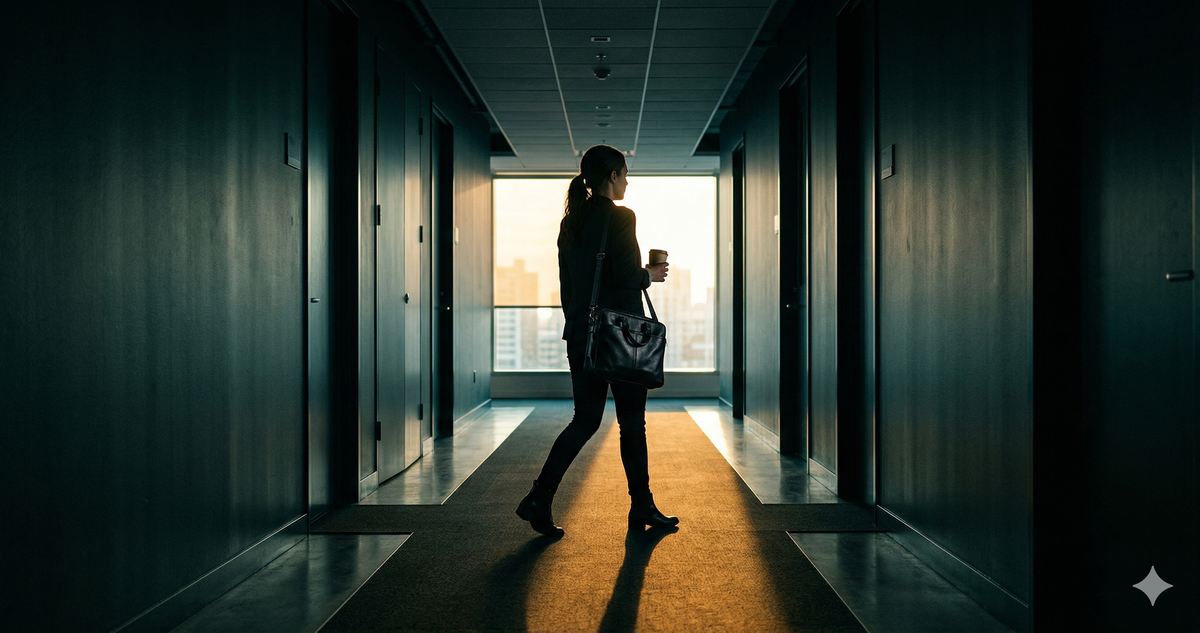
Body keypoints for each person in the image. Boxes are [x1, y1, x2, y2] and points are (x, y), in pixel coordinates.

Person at [516, 144, 679, 537]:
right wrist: (650, 274)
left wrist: (578, 327)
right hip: (621, 339)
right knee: (631, 424)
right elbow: (625, 276)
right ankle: (642, 506)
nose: (627, 181)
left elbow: (567, 286)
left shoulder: (570, 222)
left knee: (585, 419)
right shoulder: (622, 217)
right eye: (624, 174)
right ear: (612, 176)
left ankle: (540, 497)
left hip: (582, 335)